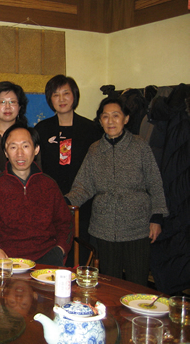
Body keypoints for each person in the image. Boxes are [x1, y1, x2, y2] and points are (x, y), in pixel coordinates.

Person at [65, 97, 168, 286]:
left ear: (126, 119)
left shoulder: (140, 146)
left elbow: (155, 182)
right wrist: (64, 202)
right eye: (105, 117)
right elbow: (84, 186)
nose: (110, 121)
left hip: (137, 228)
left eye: (116, 116)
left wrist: (157, 217)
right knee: (109, 284)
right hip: (103, 228)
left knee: (137, 284)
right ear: (100, 121)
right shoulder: (95, 150)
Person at [0, 123, 73, 266]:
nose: (19, 153)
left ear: (36, 149)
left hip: (47, 258)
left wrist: (60, 249)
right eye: (13, 147)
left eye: (25, 146)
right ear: (6, 152)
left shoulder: (49, 185)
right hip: (7, 260)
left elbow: (65, 224)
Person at [34, 75, 102, 265]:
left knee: (80, 252)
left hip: (84, 203)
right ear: (50, 99)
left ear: (75, 96)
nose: (61, 99)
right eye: (56, 95)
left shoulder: (90, 129)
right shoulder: (42, 129)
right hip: (51, 202)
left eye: (66, 93)